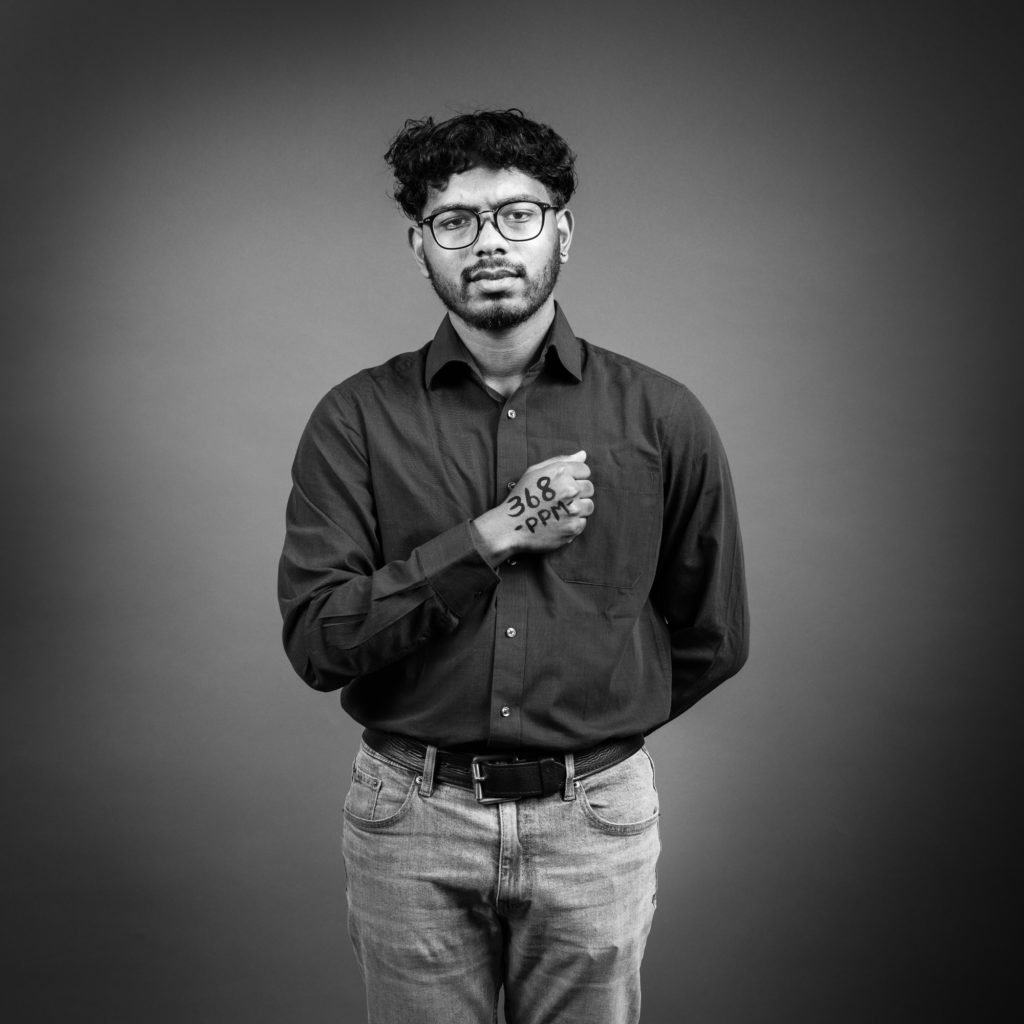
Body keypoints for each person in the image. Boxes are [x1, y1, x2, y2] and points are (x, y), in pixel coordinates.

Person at [278, 109, 749, 1024]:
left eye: (517, 215)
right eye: (456, 220)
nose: (489, 242)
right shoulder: (355, 420)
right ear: (420, 245)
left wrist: (596, 732)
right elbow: (319, 641)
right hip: (409, 822)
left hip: (597, 822)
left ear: (561, 231)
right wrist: (492, 535)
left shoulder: (662, 417)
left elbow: (714, 634)